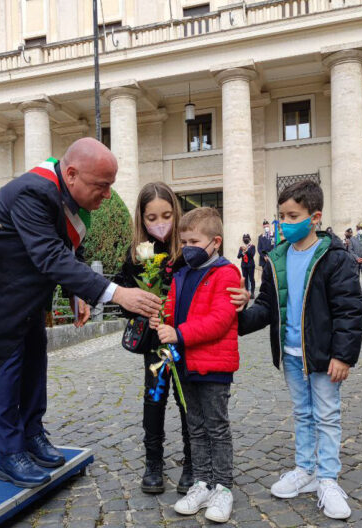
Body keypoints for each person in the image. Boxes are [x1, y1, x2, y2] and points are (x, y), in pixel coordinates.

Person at [0, 138, 163, 488]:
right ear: (71, 174)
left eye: (110, 186)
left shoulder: (67, 196)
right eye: (102, 187)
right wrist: (117, 294)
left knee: (36, 357)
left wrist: (76, 293)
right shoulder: (33, 192)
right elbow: (50, 256)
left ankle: (32, 433)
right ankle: (10, 454)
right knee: (7, 364)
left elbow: (64, 249)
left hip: (24, 295)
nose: (107, 196)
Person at [237, 180, 362, 520]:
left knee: (326, 415)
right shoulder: (276, 257)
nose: (284, 223)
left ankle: (327, 478)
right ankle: (305, 469)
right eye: (281, 216)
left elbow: (349, 311)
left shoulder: (335, 258)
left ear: (314, 217)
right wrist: (236, 317)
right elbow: (267, 306)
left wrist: (343, 355)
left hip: (324, 355)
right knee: (303, 413)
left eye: (292, 215)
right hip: (291, 354)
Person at [152, 207, 241, 523]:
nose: (186, 246)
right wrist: (160, 319)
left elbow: (220, 320)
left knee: (217, 426)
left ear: (215, 242)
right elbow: (172, 312)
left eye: (193, 240)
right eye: (183, 239)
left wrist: (178, 333)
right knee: (195, 426)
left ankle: (223, 487)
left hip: (214, 366)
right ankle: (202, 483)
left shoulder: (227, 274)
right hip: (185, 364)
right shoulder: (181, 274)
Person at [115, 182, 191, 495]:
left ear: (176, 214)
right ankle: (153, 462)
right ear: (141, 220)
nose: (160, 223)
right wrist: (141, 307)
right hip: (155, 344)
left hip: (187, 340)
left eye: (166, 215)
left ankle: (192, 461)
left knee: (188, 400)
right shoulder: (141, 253)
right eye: (151, 218)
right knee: (154, 397)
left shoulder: (188, 248)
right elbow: (120, 293)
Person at [237, 234, 256, 298]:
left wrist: (246, 250)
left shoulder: (252, 246)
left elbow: (252, 255)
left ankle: (252, 293)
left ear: (249, 239)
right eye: (244, 238)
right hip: (244, 266)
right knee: (245, 279)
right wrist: (242, 252)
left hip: (250, 265)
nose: (245, 239)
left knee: (251, 279)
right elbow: (238, 256)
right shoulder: (241, 247)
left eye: (247, 238)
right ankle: (246, 292)